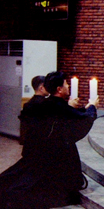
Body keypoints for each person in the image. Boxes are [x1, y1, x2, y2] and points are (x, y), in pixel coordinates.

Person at [0, 71, 98, 209]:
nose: (68, 86)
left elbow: (70, 114)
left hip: (45, 149)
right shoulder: (57, 105)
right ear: (59, 89)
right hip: (57, 152)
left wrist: (83, 108)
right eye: (66, 84)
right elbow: (81, 118)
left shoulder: (48, 103)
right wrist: (92, 106)